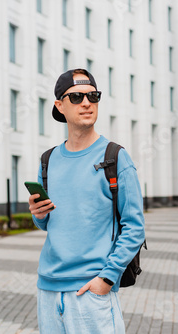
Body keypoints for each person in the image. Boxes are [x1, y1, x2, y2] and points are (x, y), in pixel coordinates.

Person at [28, 68, 145, 333]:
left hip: (91, 292)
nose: (86, 103)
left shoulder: (115, 158)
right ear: (59, 105)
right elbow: (46, 224)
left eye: (93, 96)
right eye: (77, 97)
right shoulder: (48, 161)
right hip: (48, 289)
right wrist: (38, 214)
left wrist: (106, 279)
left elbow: (135, 227)